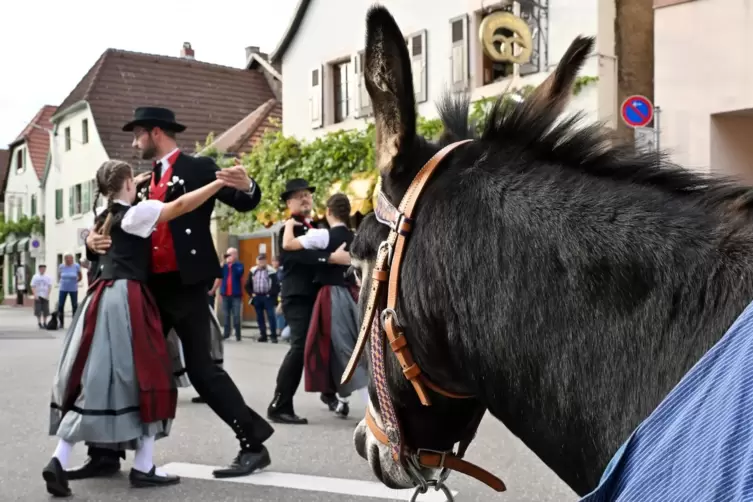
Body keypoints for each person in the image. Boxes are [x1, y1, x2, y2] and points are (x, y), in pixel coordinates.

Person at [82, 106, 273, 479]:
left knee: (202, 371)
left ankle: (253, 444)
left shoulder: (197, 167)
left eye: (137, 134)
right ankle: (105, 452)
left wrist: (247, 183)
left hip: (185, 286)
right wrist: (91, 241)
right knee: (123, 366)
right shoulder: (136, 182)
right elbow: (112, 226)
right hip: (147, 287)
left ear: (156, 132)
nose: (134, 142)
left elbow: (245, 200)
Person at [43, 159, 229, 497]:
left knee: (92, 376)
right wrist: (218, 184)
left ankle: (60, 457)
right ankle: (143, 466)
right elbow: (181, 205)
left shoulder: (102, 218)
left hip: (99, 298)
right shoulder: (137, 214)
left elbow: (97, 232)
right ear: (129, 183)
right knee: (151, 373)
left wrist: (128, 183)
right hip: (129, 298)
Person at [267, 179, 351, 425]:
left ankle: (329, 394)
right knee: (301, 346)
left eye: (307, 195)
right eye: (299, 196)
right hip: (297, 295)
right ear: (289, 202)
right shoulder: (289, 228)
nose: (305, 198)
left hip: (317, 294)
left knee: (325, 344)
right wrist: (330, 259)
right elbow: (295, 258)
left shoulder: (317, 227)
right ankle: (279, 404)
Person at [282, 193, 367, 418]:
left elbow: (288, 244)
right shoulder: (356, 237)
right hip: (356, 295)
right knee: (356, 344)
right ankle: (339, 398)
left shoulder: (321, 235)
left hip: (331, 295)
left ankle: (365, 404)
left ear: (328, 212)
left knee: (339, 346)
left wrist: (289, 225)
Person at [245, 254, 280, 343]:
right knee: (259, 317)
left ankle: (273, 336)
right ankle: (263, 335)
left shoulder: (271, 271)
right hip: (257, 296)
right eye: (259, 261)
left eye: (263, 261)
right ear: (257, 262)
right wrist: (251, 293)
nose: (261, 263)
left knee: (271, 316)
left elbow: (276, 285)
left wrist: (270, 294)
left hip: (267, 297)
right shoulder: (253, 271)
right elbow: (247, 284)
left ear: (266, 261)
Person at [219, 247, 245, 341]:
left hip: (236, 295)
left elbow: (239, 273)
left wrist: (232, 265)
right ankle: (226, 333)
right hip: (225, 294)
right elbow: (219, 274)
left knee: (236, 315)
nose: (228, 256)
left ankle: (238, 334)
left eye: (230, 254)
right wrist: (222, 263)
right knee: (226, 315)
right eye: (227, 254)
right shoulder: (225, 266)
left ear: (235, 255)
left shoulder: (239, 265)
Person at [57, 254, 82, 327]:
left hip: (73, 288)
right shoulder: (61, 266)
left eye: (70, 259)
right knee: (61, 305)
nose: (69, 260)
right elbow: (59, 275)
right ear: (65, 260)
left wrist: (76, 281)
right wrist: (61, 281)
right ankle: (61, 323)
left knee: (74, 305)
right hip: (63, 288)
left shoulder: (76, 266)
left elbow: (80, 276)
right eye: (67, 259)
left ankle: (74, 322)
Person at [31, 264, 53, 328]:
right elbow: (33, 286)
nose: (43, 270)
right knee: (38, 310)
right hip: (38, 295)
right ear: (39, 269)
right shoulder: (35, 277)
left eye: (44, 269)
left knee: (45, 310)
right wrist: (35, 294)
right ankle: (39, 322)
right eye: (42, 269)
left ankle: (45, 322)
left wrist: (48, 295)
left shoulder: (48, 277)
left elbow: (49, 286)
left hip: (45, 295)